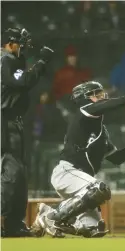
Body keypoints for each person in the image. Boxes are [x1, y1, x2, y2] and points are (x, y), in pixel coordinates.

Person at [30, 81, 125, 238]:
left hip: (81, 182)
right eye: (95, 94)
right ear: (84, 98)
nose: (101, 96)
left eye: (100, 93)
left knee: (95, 228)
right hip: (67, 172)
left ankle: (49, 214)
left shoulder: (100, 131)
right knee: (99, 189)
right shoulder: (83, 112)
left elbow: (116, 159)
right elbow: (102, 106)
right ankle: (51, 216)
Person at [1, 27, 54, 237]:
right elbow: (23, 82)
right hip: (5, 122)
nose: (22, 48)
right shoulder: (4, 60)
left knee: (20, 174)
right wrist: (41, 63)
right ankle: (5, 222)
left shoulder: (11, 61)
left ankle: (14, 224)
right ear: (10, 43)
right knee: (12, 173)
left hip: (13, 122)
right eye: (19, 43)